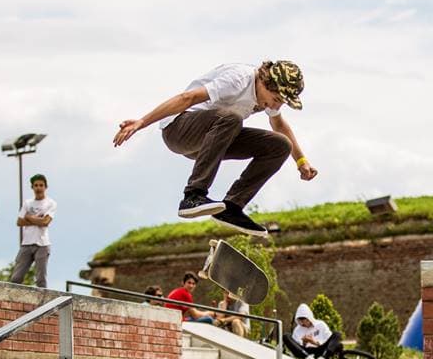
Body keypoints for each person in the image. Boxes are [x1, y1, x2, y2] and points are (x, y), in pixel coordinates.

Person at [113, 60, 317, 237]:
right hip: (179, 131)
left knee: (280, 145)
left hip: (213, 140)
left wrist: (301, 161)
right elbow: (187, 98)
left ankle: (231, 208)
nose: (275, 106)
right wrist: (141, 122)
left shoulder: (268, 95)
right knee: (231, 118)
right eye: (276, 100)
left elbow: (279, 125)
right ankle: (193, 195)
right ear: (264, 82)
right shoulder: (238, 79)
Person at [9, 174, 56, 287]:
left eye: (41, 185)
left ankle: (44, 301)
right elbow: (19, 222)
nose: (38, 188)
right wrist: (38, 219)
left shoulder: (50, 203)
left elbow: (45, 222)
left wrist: (29, 217)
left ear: (45, 187)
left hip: (42, 244)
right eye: (36, 185)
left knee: (40, 278)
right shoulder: (27, 203)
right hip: (26, 243)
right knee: (16, 277)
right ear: (32, 187)